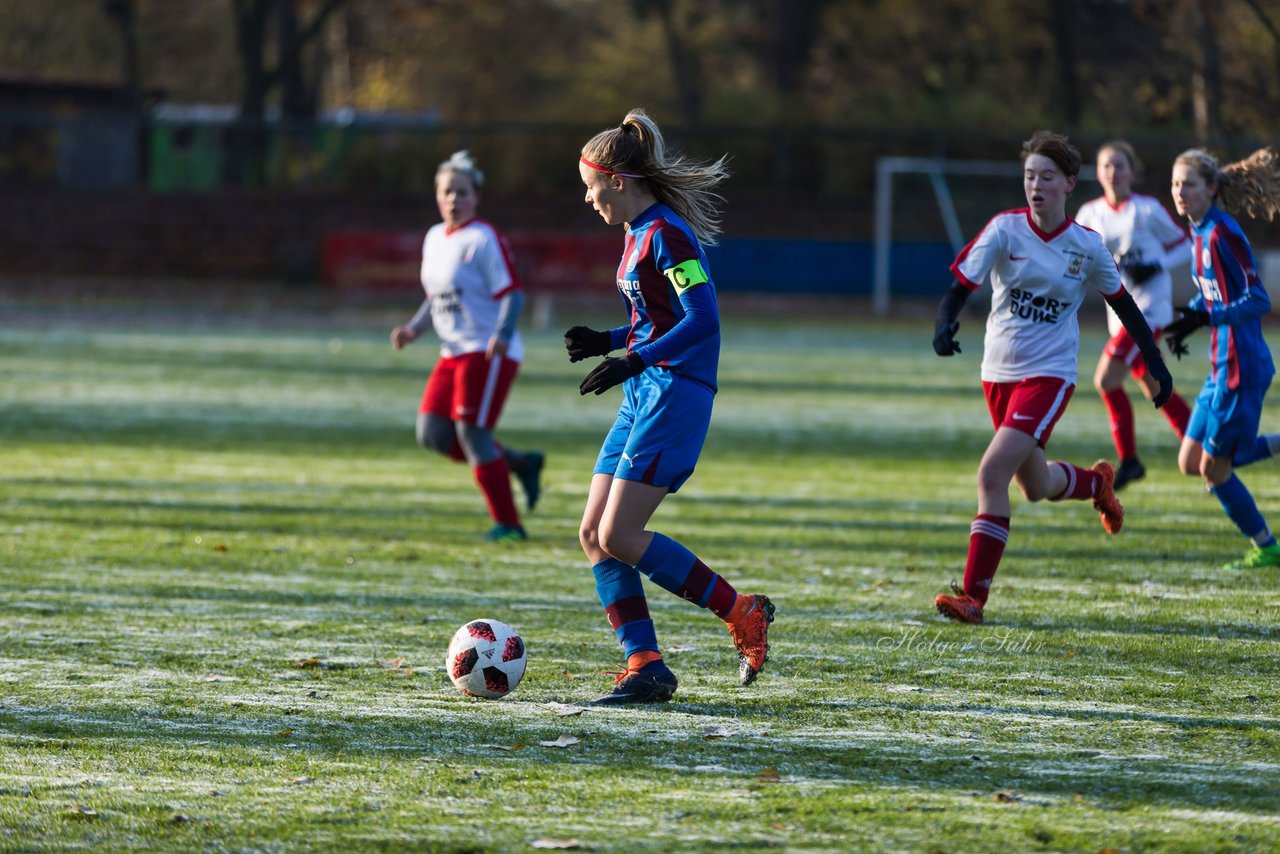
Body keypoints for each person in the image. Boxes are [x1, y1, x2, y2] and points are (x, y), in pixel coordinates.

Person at [566, 109, 774, 705]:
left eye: (591, 186)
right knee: (593, 534)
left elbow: (702, 319)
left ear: (619, 181)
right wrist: (606, 341)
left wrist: (636, 357)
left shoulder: (666, 234)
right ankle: (646, 666)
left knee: (621, 533)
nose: (589, 199)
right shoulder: (638, 235)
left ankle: (743, 612)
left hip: (675, 391)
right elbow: (653, 316)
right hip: (645, 389)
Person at [931, 130, 1174, 624]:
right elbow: (962, 284)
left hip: (1050, 375)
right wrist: (944, 321)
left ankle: (974, 597)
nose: (1035, 185)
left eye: (1046, 177)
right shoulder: (1004, 229)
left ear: (1068, 183)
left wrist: (1154, 360)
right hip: (997, 373)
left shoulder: (1085, 245)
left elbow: (1123, 304)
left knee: (991, 474)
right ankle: (1097, 484)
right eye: (1028, 176)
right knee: (1035, 485)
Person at [390, 150, 543, 542]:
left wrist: (503, 334)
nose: (454, 199)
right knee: (433, 435)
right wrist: (412, 329)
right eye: (447, 191)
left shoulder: (483, 238)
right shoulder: (434, 238)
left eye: (462, 191)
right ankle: (519, 463)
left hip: (487, 351)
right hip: (453, 352)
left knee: (473, 435)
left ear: (476, 196)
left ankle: (508, 525)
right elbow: (437, 297)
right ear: (437, 195)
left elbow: (512, 294)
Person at [1163, 147, 1280, 569]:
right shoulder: (1197, 232)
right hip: (1219, 367)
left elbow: (1258, 299)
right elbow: (1211, 293)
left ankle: (1267, 546)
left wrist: (1206, 316)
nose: (1180, 192)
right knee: (1190, 462)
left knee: (1215, 470)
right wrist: (1190, 320)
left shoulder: (1221, 233)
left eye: (1189, 184)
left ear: (1211, 189)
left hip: (1241, 368)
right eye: (1175, 184)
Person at [1076, 141, 1194, 489]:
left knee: (1106, 379)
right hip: (1119, 316)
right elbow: (1078, 256)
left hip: (1149, 312)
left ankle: (1129, 460)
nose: (1112, 172)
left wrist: (1153, 265)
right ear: (1098, 173)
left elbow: (1184, 245)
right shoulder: (1089, 214)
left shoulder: (1147, 209)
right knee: (1154, 385)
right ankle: (1203, 444)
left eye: (1119, 165)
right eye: (1106, 166)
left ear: (1132, 170)